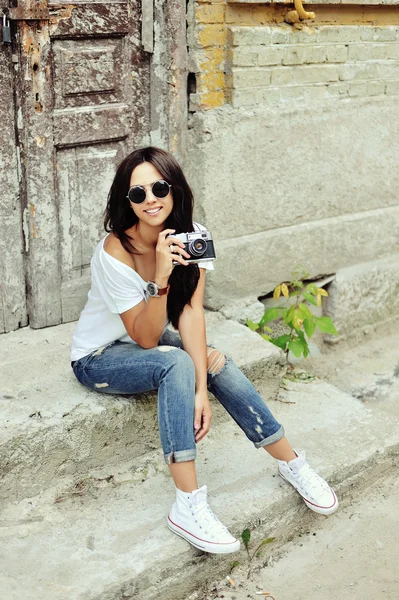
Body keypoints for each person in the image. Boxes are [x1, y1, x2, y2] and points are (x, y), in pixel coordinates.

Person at [70, 147, 338, 555]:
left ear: (174, 188)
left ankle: (292, 463)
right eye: (137, 194)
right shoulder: (115, 252)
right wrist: (160, 276)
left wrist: (200, 389)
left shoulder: (195, 236)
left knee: (214, 360)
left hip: (153, 342)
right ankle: (188, 505)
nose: (150, 199)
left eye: (158, 187)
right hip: (100, 357)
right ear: (126, 202)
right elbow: (145, 337)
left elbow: (192, 312)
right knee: (176, 360)